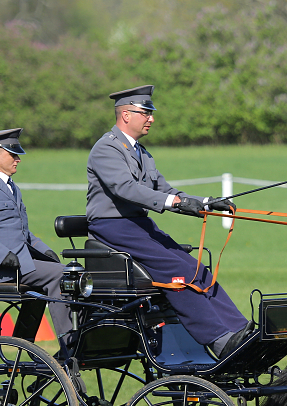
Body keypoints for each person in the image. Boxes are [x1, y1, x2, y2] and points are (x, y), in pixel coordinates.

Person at [86, 85, 252, 357]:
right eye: (146, 112)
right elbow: (126, 188)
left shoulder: (141, 152)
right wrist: (175, 203)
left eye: (151, 113)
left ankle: (240, 331)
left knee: (197, 269)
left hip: (138, 225)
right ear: (126, 115)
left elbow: (165, 190)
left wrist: (206, 203)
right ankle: (219, 340)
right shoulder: (106, 149)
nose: (151, 118)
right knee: (178, 274)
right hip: (112, 227)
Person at [0, 128, 73, 348]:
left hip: (20, 264)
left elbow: (22, 233)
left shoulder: (12, 188)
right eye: (13, 154)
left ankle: (29, 343)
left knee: (69, 271)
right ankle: (69, 343)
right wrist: (2, 255)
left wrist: (45, 250)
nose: (18, 159)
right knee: (60, 275)